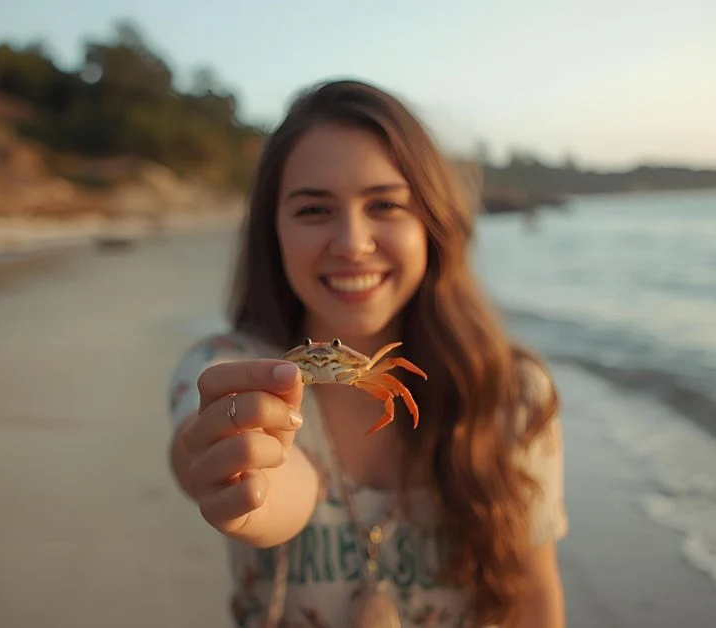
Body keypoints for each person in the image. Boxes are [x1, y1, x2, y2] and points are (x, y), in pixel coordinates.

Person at [166, 79, 567, 628]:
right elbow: (268, 486)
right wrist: (237, 475)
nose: (353, 242)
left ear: (432, 222)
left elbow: (535, 597)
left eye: (384, 205)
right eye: (314, 211)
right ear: (272, 231)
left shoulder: (512, 393)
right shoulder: (229, 370)